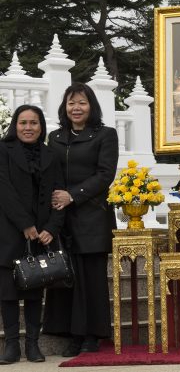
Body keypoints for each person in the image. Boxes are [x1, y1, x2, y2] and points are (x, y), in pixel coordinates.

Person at [42, 82, 118, 357]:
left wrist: (72, 195)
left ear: (91, 106)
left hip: (93, 216)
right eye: (71, 103)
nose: (76, 108)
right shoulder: (56, 136)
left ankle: (92, 335)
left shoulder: (105, 135)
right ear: (65, 106)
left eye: (82, 103)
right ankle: (71, 334)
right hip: (61, 218)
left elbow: (105, 174)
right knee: (65, 276)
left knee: (92, 278)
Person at [0, 105, 64, 364]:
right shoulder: (3, 150)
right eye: (23, 122)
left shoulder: (51, 154)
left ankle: (33, 345)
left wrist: (51, 227)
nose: (28, 128)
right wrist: (25, 224)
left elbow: (59, 194)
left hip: (41, 233)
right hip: (10, 230)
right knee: (8, 292)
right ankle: (12, 345)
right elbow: (3, 189)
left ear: (41, 127)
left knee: (35, 289)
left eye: (34, 123)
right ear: (15, 125)